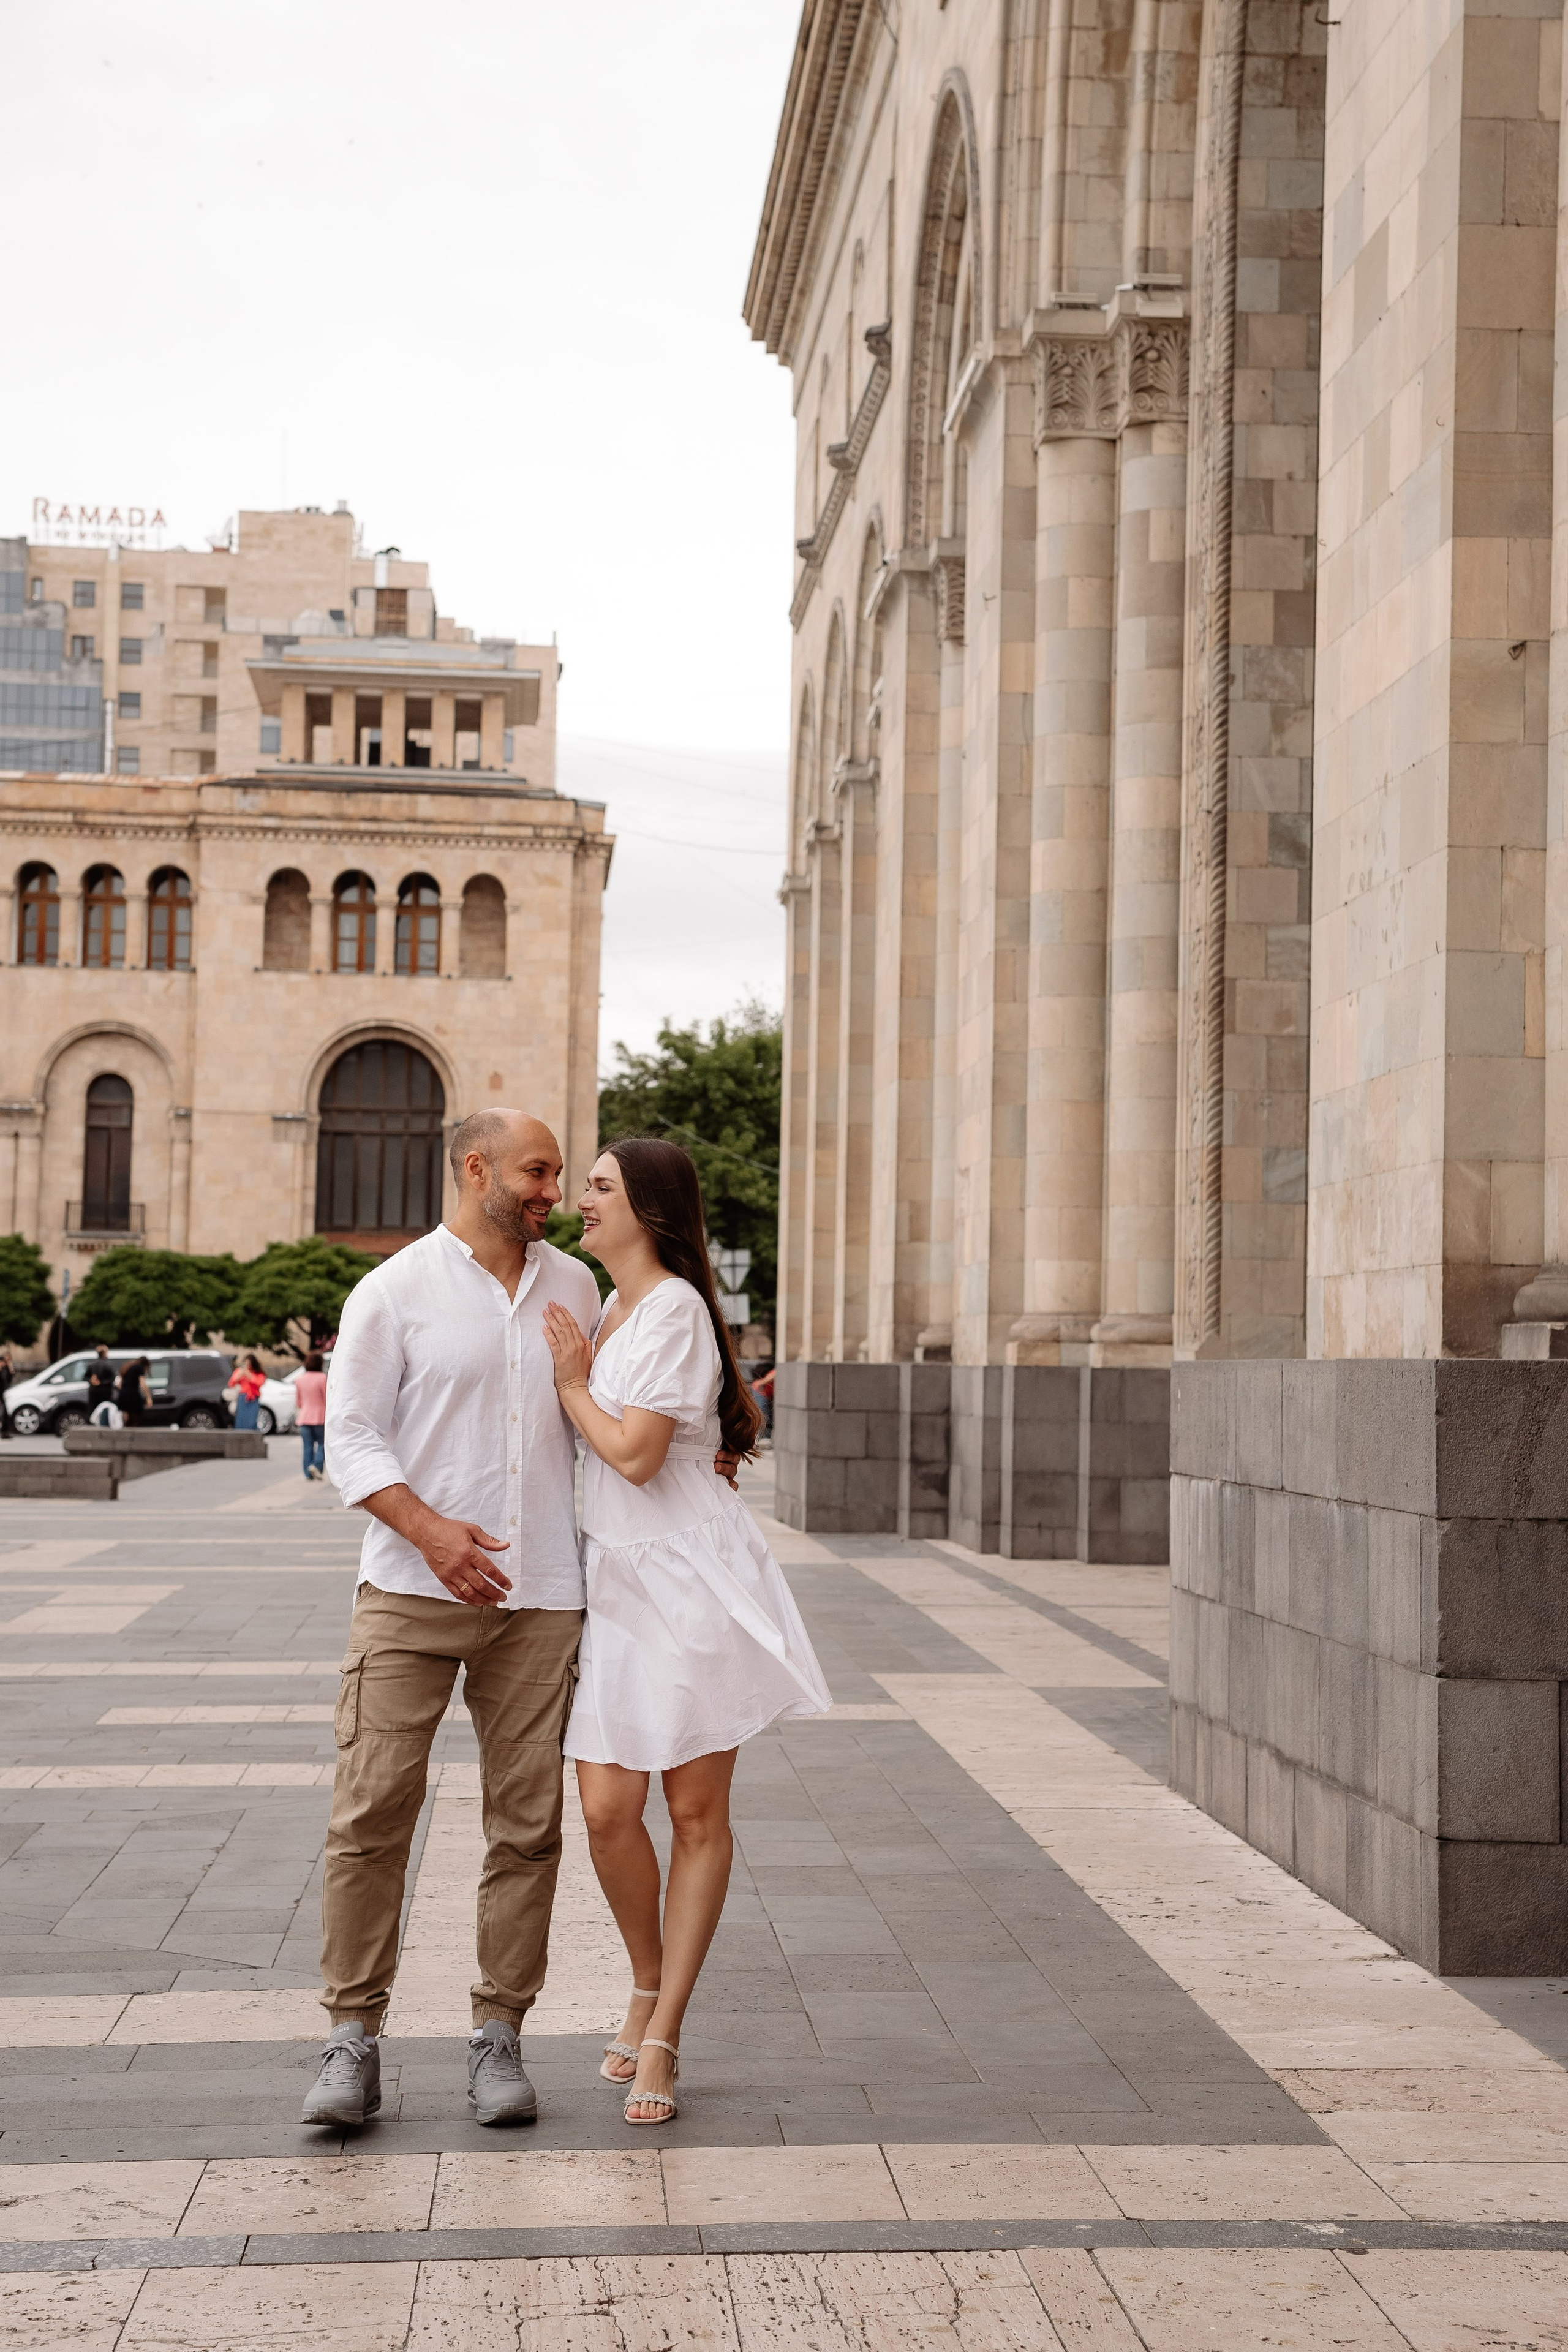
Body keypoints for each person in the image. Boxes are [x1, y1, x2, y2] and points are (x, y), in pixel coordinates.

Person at [304, 1110, 737, 2135]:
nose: (554, 1191)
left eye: (565, 1177)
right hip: (411, 1592)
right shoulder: (393, 1290)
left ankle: (500, 2031)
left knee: (528, 1827)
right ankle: (351, 2037)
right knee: (370, 1815)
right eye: (539, 1172)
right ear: (477, 1170)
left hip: (543, 1597)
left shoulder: (581, 1289)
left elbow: (631, 1415)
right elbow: (352, 1439)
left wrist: (703, 1459)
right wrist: (431, 1533)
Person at [543, 1138, 831, 2125]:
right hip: (619, 1585)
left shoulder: (669, 1308)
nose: (582, 1199)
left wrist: (574, 1384)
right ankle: (645, 1980)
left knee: (695, 1815)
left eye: (601, 1187)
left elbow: (633, 1456)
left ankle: (664, 2032)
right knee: (607, 1813)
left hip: (689, 1584)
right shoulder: (607, 1302)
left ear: (649, 1207)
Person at [295, 1351, 328, 1481]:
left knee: (307, 1447)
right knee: (322, 1444)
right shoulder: (323, 1378)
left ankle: (308, 1473)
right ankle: (316, 1465)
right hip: (320, 1417)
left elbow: (298, 1402)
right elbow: (327, 1399)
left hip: (304, 1417)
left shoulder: (300, 1379)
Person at [230, 1354, 266, 1431]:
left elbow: (259, 1383)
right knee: (241, 1419)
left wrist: (249, 1374)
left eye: (249, 1363)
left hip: (253, 1398)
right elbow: (232, 1383)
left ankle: (252, 1435)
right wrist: (240, 1374)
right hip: (243, 1397)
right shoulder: (239, 1371)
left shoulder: (258, 1374)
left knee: (252, 1420)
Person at [86, 1346, 118, 1427]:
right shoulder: (108, 1365)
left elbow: (85, 1377)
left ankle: (92, 1424)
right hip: (106, 1392)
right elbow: (112, 1378)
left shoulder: (92, 1365)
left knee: (93, 1410)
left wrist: (92, 1381)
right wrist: (101, 1383)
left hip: (93, 1391)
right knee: (105, 1409)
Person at [115, 1357, 151, 1426]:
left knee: (126, 1415)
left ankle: (125, 1431)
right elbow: (143, 1384)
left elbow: (119, 1384)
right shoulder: (139, 1368)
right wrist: (148, 1397)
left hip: (123, 1393)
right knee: (136, 1414)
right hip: (133, 1393)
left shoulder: (127, 1367)